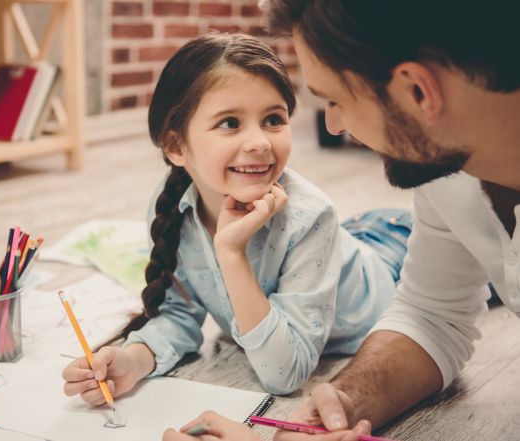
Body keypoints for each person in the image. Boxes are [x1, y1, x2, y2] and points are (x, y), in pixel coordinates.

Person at [163, 1, 520, 440]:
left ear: (418, 91)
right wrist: (344, 403)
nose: (333, 125)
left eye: (335, 100)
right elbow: (433, 316)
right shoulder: (445, 170)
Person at [62, 33, 412, 406]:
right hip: (348, 241)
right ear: (176, 146)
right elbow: (180, 314)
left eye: (274, 119)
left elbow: (285, 374)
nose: (260, 142)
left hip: (394, 260)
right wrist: (133, 360)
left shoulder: (312, 216)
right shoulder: (171, 205)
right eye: (230, 123)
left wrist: (231, 253)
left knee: (475, 252)